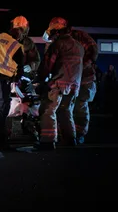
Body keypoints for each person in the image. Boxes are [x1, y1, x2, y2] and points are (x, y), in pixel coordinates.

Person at [35, 17, 84, 150]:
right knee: (66, 111)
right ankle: (70, 139)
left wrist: (40, 80)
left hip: (59, 85)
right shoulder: (79, 46)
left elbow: (47, 66)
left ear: (56, 32)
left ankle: (48, 142)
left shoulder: (57, 45)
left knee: (47, 110)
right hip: (74, 86)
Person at [69, 28, 98, 144]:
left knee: (80, 107)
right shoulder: (65, 40)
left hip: (83, 80)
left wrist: (81, 67)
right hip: (72, 79)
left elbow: (93, 51)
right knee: (69, 107)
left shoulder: (78, 36)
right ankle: (71, 133)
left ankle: (79, 134)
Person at [10, 16, 40, 80]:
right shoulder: (8, 39)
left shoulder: (28, 42)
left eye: (21, 29)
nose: (19, 32)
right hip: (9, 74)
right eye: (17, 29)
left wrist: (31, 66)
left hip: (23, 76)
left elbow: (36, 59)